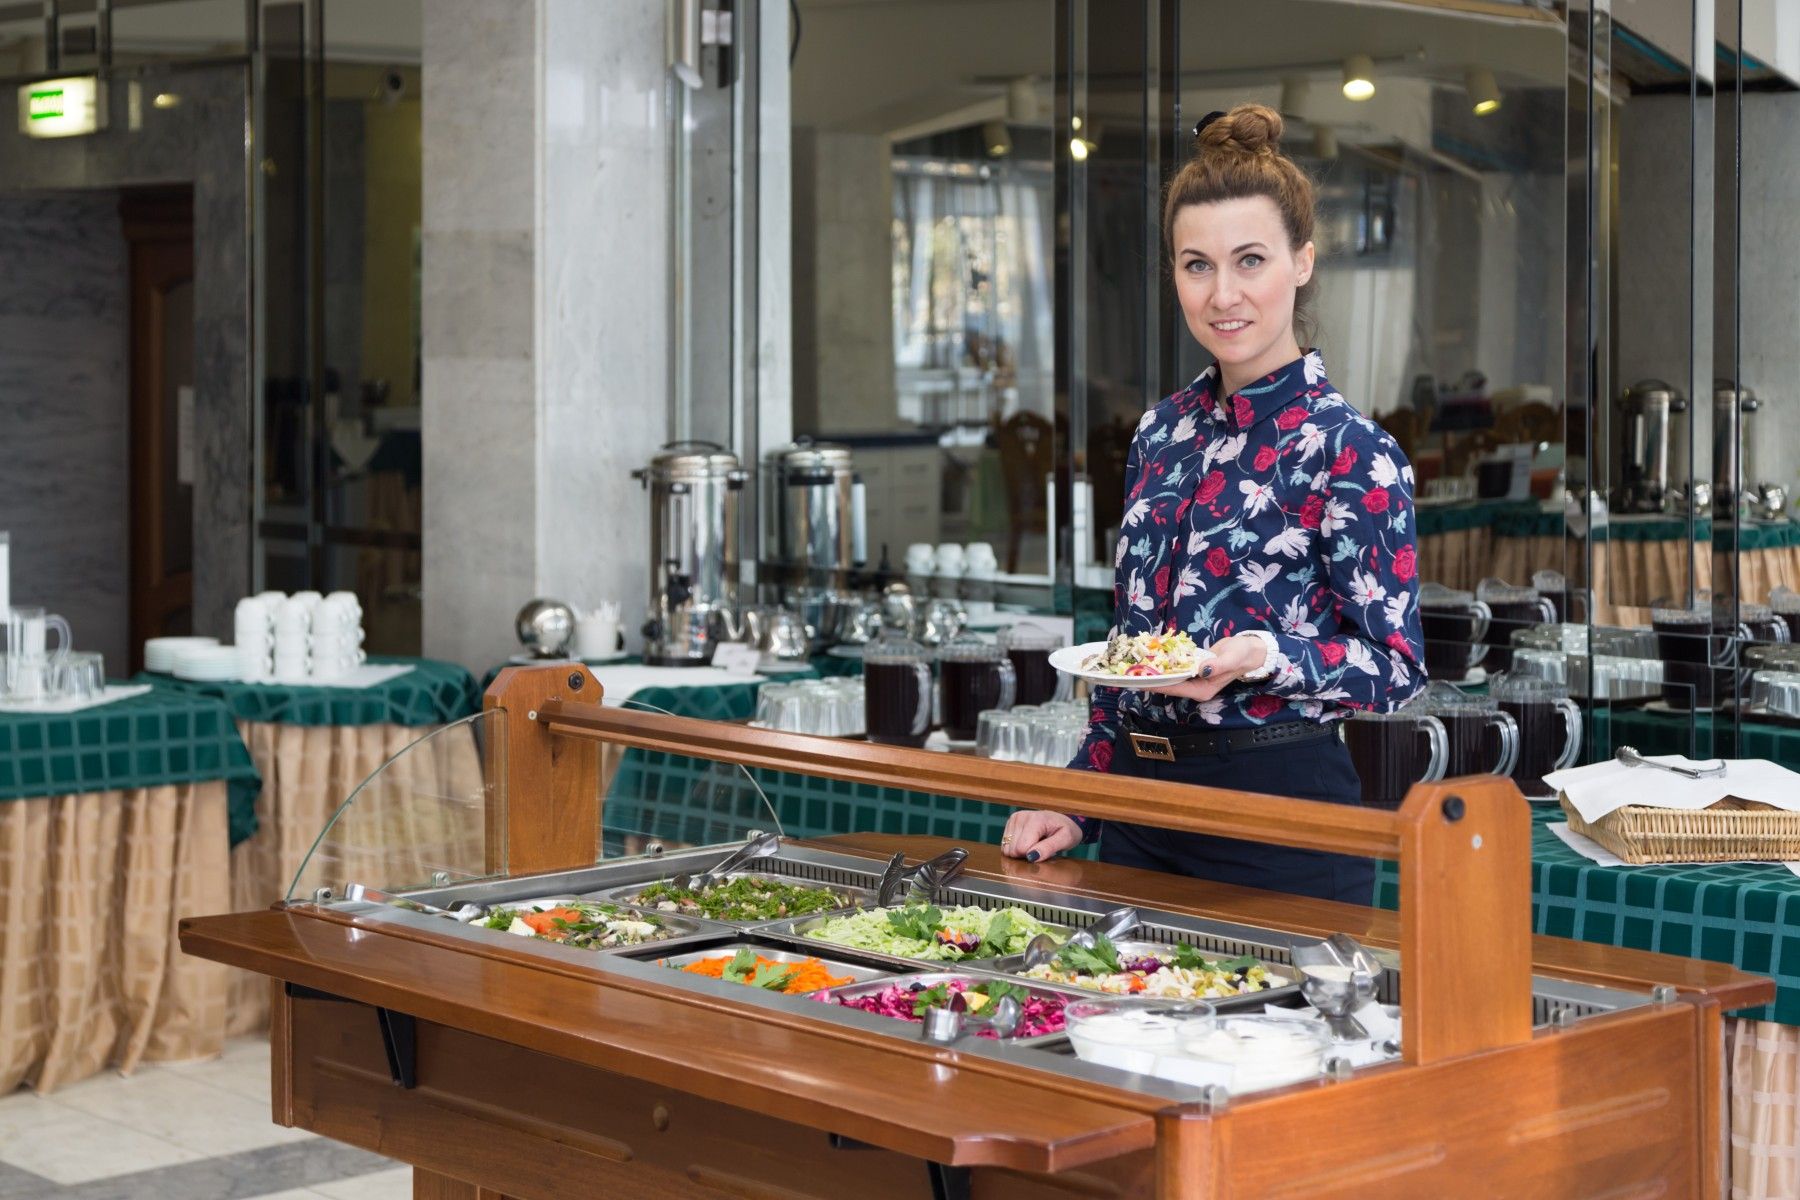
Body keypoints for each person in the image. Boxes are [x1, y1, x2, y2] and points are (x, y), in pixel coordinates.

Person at [1000, 104, 1427, 903]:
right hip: (1139, 811)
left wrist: (1264, 656)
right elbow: (1130, 652)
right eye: (1197, 265)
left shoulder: (1351, 450)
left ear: (1302, 262)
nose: (1223, 294)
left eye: (1250, 260)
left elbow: (1396, 670)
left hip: (1281, 820)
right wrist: (1079, 798)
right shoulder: (1159, 433)